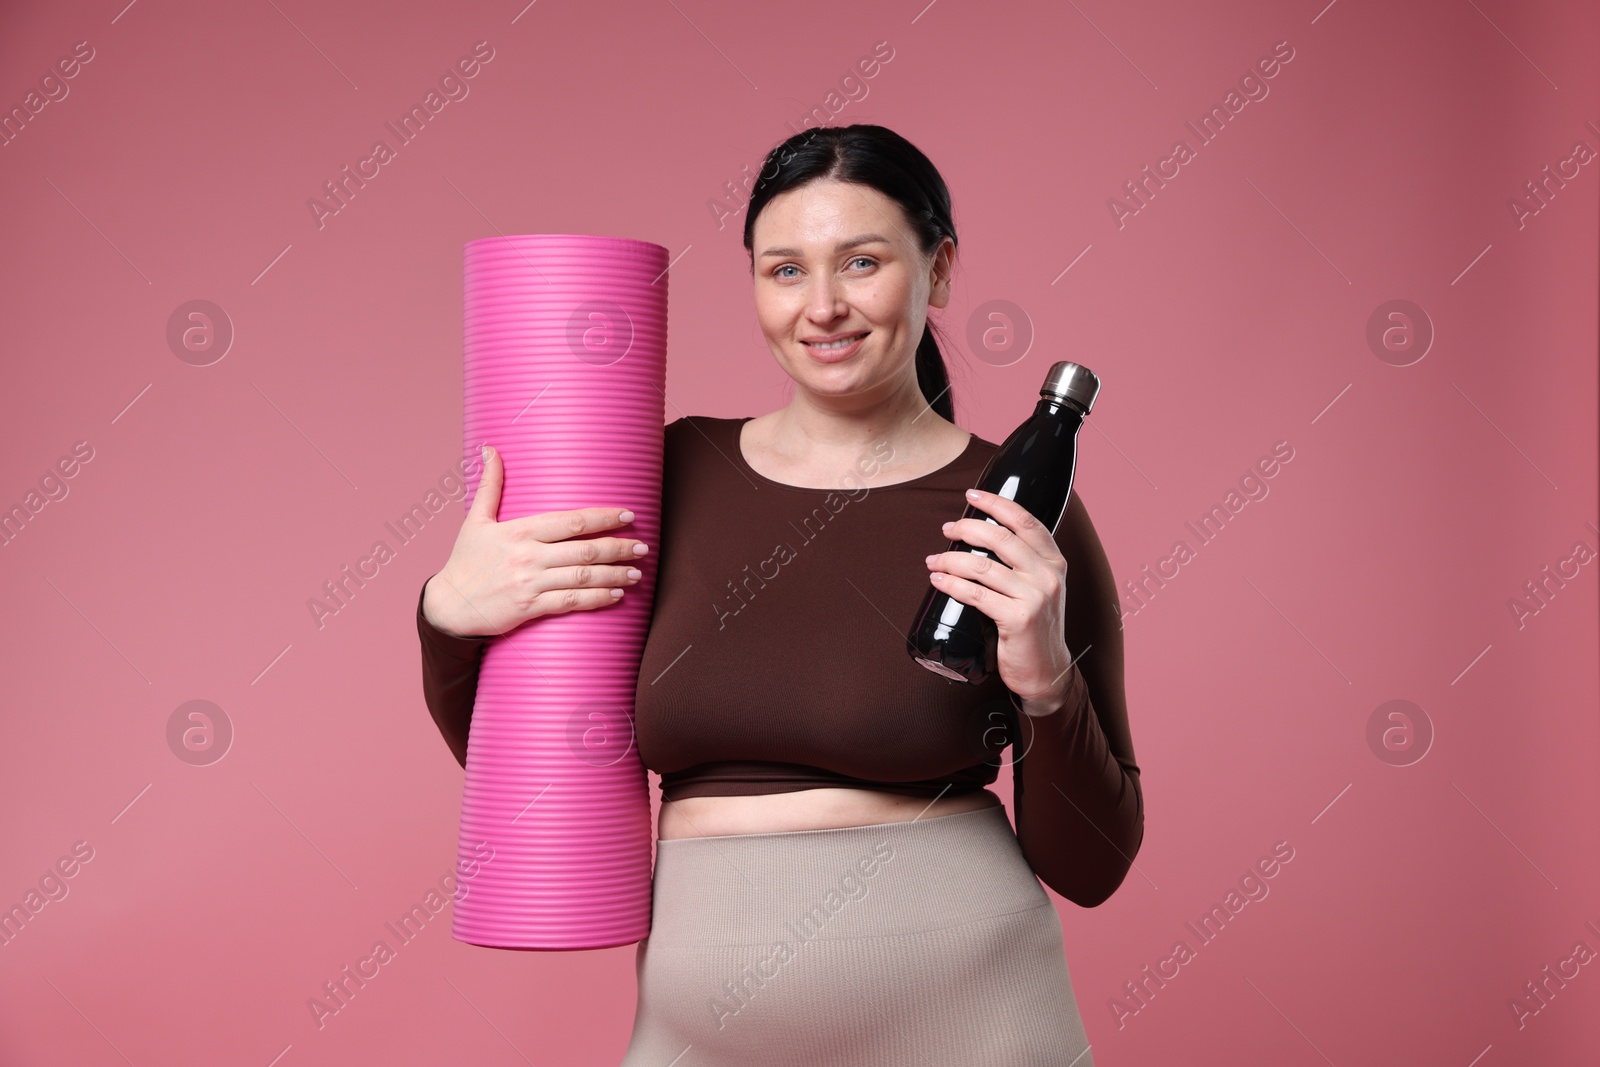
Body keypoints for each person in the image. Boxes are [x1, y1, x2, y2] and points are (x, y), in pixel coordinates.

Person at [416, 124, 1143, 1066]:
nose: (825, 307)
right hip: (699, 1031)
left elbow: (1093, 866)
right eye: (785, 270)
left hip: (976, 1017)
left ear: (943, 269)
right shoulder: (664, 472)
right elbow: (530, 774)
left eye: (863, 262)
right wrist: (449, 616)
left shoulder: (1016, 513)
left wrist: (1047, 684)